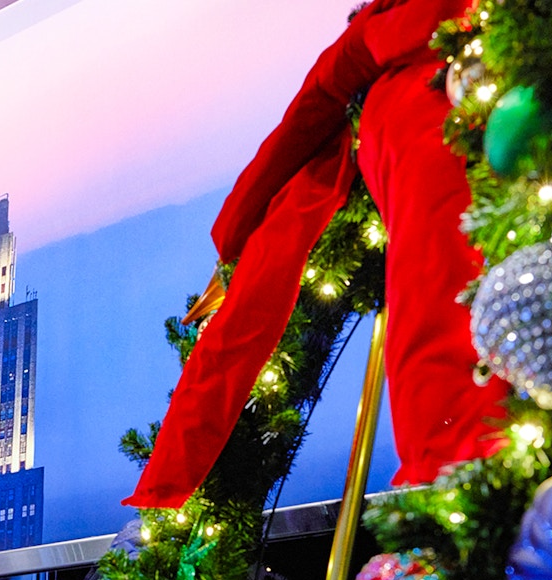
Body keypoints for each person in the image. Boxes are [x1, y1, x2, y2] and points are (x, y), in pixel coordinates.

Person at [124, 0, 509, 509]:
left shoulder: (403, 72)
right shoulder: (395, 74)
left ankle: (459, 469)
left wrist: (236, 241)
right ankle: (460, 469)